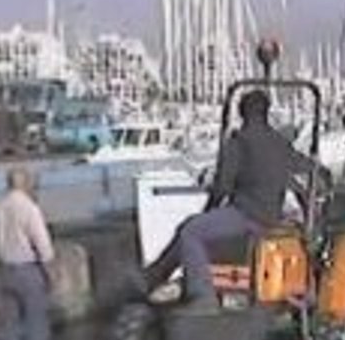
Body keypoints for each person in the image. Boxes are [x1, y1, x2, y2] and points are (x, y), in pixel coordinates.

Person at [135, 89, 330, 311]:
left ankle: (201, 296)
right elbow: (310, 169)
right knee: (188, 227)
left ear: (241, 113)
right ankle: (155, 275)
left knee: (191, 231)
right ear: (266, 113)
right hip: (271, 216)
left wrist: (208, 210)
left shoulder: (239, 142)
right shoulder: (280, 143)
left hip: (245, 216)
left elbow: (222, 187)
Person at [0, 166, 56, 340]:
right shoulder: (29, 209)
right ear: (25, 183)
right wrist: (51, 273)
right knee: (36, 326)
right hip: (28, 270)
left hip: (6, 271)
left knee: (11, 327)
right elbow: (43, 245)